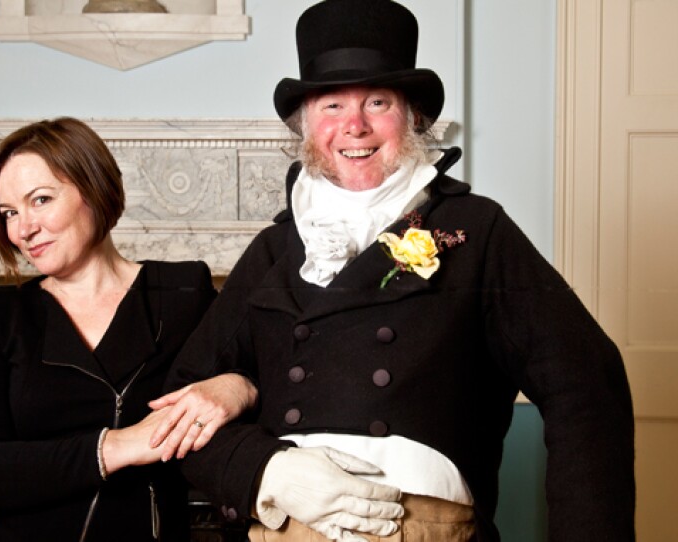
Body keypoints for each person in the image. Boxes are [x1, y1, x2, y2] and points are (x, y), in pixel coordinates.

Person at [155, 1, 636, 541]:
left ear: (412, 119)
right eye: (331, 105)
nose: (353, 125)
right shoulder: (274, 249)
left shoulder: (475, 230)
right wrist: (264, 468)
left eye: (377, 102)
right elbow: (181, 407)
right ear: (306, 126)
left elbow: (586, 384)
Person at [0, 117, 258, 541]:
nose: (23, 229)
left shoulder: (183, 294)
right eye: (9, 213)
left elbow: (264, 379)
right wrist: (120, 445)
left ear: (93, 188)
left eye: (40, 200)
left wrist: (237, 388)